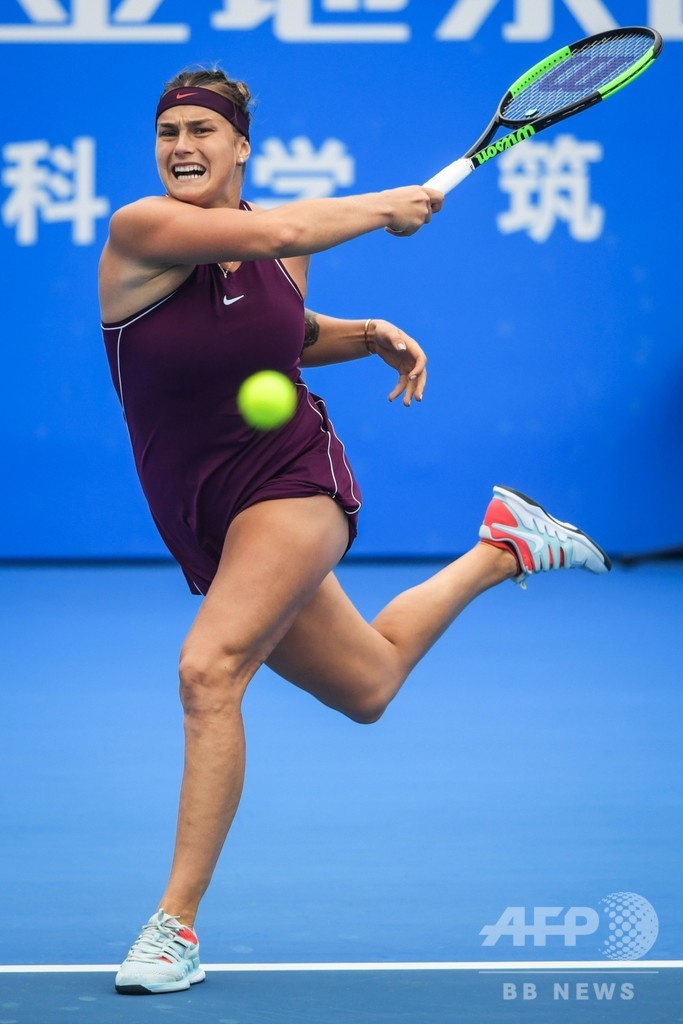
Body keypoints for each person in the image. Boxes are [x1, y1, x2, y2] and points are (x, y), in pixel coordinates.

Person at [99, 68, 611, 996]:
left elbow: (283, 334)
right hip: (200, 511)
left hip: (288, 481)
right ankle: (505, 546)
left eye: (202, 131)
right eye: (168, 132)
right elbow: (280, 233)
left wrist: (364, 331)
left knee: (209, 672)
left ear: (240, 146)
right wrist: (385, 208)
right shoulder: (143, 230)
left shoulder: (278, 252)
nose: (182, 147)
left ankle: (174, 927)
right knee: (368, 684)